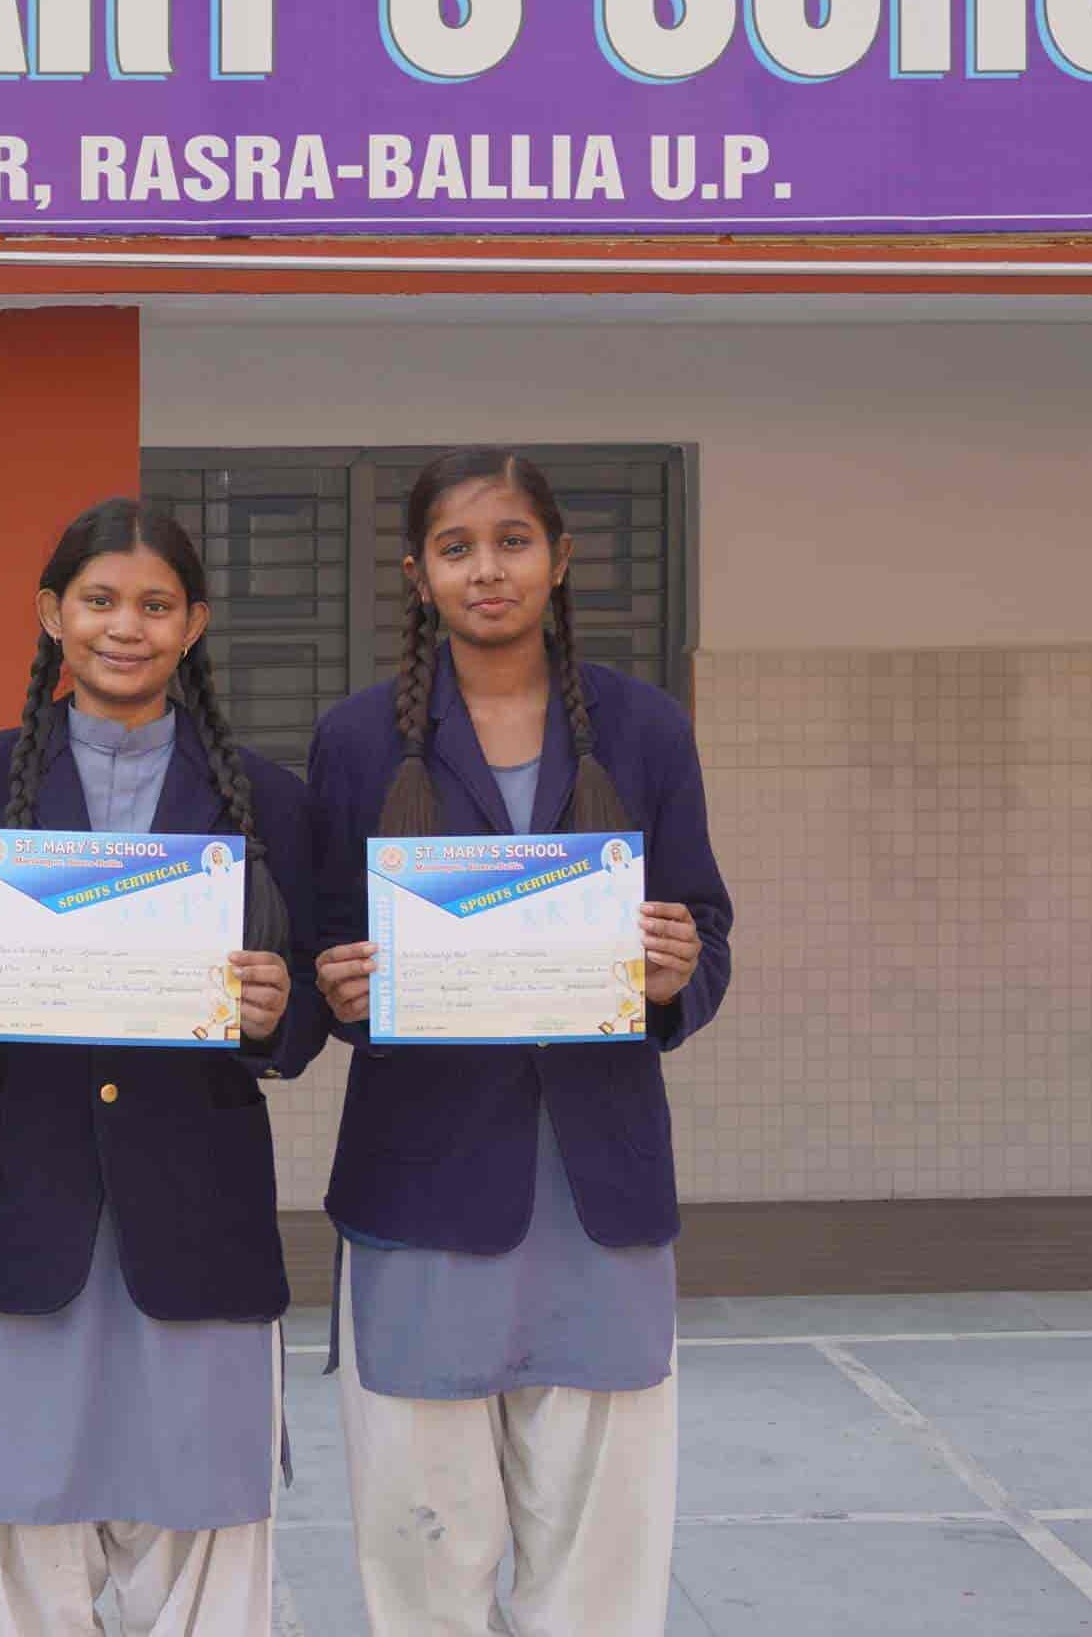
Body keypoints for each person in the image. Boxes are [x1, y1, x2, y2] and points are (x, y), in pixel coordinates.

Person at [305, 447, 732, 1637]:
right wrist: (338, 986)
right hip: (420, 1189)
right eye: (457, 548)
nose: (486, 569)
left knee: (599, 1560)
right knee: (423, 1548)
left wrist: (674, 975)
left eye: (512, 541)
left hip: (598, 1186)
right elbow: (324, 947)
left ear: (560, 557)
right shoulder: (356, 739)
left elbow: (705, 928)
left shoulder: (645, 728)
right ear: (417, 573)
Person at [0, 497, 322, 1637]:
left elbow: (309, 1013)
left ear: (194, 625)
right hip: (20, 1212)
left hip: (199, 1219)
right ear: (52, 614)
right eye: (99, 600)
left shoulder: (269, 798)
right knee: (16, 1536)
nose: (126, 626)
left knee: (204, 1535)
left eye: (156, 605)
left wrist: (278, 1011)